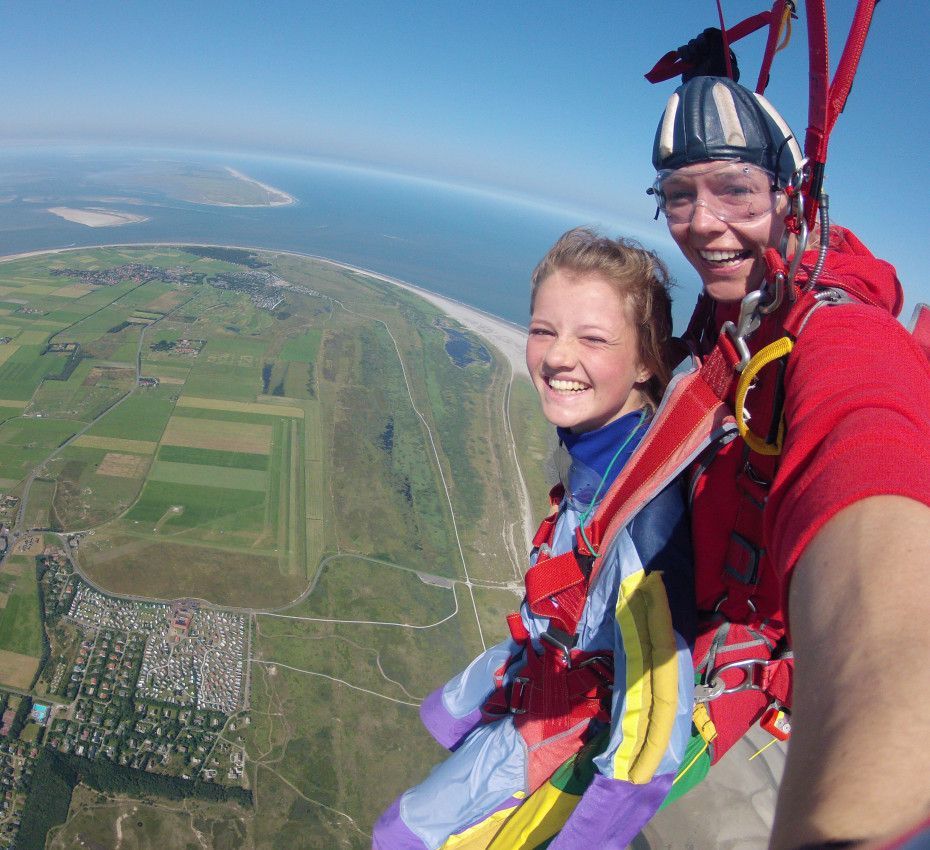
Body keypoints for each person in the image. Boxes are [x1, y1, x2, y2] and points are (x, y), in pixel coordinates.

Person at [648, 75, 930, 848]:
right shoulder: (741, 306)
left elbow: (866, 451)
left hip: (735, 696)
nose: (704, 224)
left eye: (735, 190)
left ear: (794, 197)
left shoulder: (839, 330)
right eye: (678, 195)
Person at [372, 228, 697, 849]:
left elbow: (652, 731)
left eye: (593, 338)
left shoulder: (644, 519)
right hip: (541, 678)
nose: (556, 357)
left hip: (563, 729)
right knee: (445, 719)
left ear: (648, 360)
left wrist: (584, 841)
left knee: (402, 837)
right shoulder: (610, 458)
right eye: (544, 330)